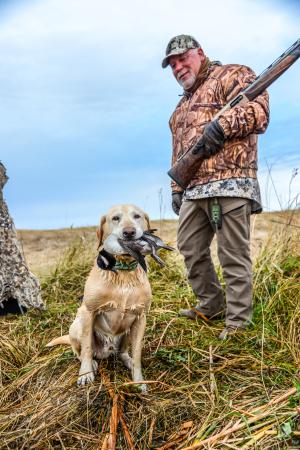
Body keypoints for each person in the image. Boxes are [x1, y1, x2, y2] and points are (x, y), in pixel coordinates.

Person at [162, 35, 269, 339]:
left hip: (231, 183)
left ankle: (238, 323)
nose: (178, 67)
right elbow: (179, 153)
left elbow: (259, 112)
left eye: (183, 59)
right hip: (194, 190)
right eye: (172, 64)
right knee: (189, 247)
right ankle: (211, 305)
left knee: (232, 253)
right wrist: (175, 188)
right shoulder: (179, 110)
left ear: (200, 53)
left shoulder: (232, 75)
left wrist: (221, 127)